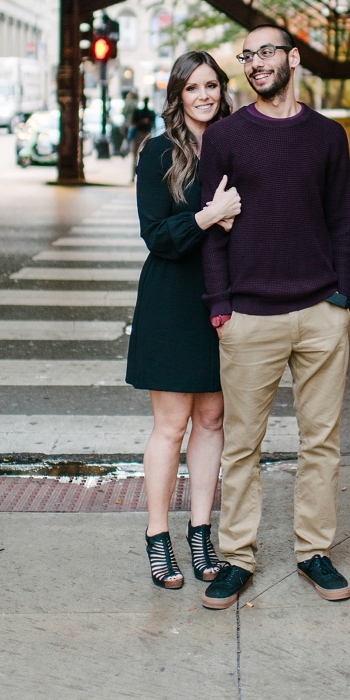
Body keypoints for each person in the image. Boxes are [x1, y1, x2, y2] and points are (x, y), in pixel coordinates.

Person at [198, 25, 350, 610]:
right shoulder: (227, 138)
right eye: (246, 56)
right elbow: (211, 229)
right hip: (250, 317)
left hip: (320, 312)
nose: (254, 63)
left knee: (322, 443)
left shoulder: (328, 136)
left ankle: (314, 551)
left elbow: (342, 219)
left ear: (293, 58)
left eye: (264, 52)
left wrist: (343, 296)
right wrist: (221, 307)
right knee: (242, 445)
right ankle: (236, 558)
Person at [126, 52, 241, 589]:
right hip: (172, 298)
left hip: (224, 296)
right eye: (192, 87)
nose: (203, 95)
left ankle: (200, 532)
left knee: (213, 421)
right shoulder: (158, 153)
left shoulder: (235, 143)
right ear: (177, 94)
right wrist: (208, 216)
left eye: (211, 85)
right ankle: (157, 537)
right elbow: (157, 236)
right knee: (171, 426)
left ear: (222, 89)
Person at [130, 96, 156, 179]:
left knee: (137, 156)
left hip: (143, 133)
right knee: (139, 156)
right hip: (144, 133)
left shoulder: (143, 112)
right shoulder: (147, 112)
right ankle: (135, 175)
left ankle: (135, 175)